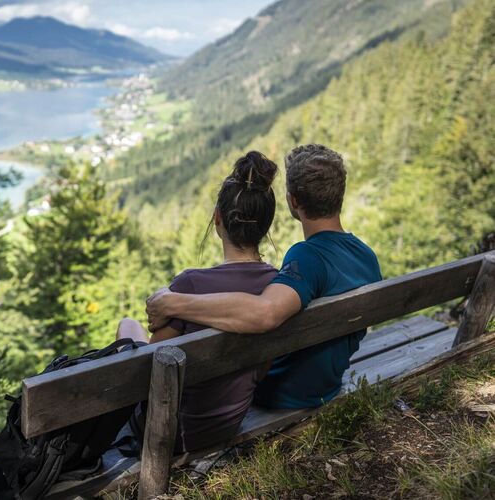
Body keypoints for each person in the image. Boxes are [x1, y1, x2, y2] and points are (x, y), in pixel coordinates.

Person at [146, 144, 382, 409]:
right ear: (340, 194)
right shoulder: (366, 255)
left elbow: (265, 313)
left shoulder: (307, 256)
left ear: (293, 201)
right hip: (327, 386)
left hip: (283, 394)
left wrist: (173, 303)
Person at [117, 151, 278, 453]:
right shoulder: (276, 288)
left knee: (128, 325)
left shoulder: (188, 286)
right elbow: (262, 370)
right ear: (266, 224)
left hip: (173, 433)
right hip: (229, 421)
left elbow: (152, 369)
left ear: (218, 219)